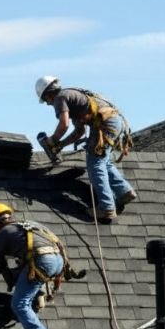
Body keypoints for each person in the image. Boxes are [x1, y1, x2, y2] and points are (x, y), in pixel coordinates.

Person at [35, 76, 136, 221]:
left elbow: (64, 125)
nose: (48, 104)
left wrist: (51, 141)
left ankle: (107, 208)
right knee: (103, 161)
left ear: (48, 94)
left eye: (46, 100)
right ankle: (124, 191)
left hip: (105, 125)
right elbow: (79, 132)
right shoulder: (73, 98)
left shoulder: (60, 98)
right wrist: (61, 145)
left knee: (95, 164)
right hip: (114, 122)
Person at [0, 202, 64, 329]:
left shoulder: (3, 233)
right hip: (58, 262)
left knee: (19, 303)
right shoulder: (30, 224)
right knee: (26, 270)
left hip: (42, 262)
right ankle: (38, 295)